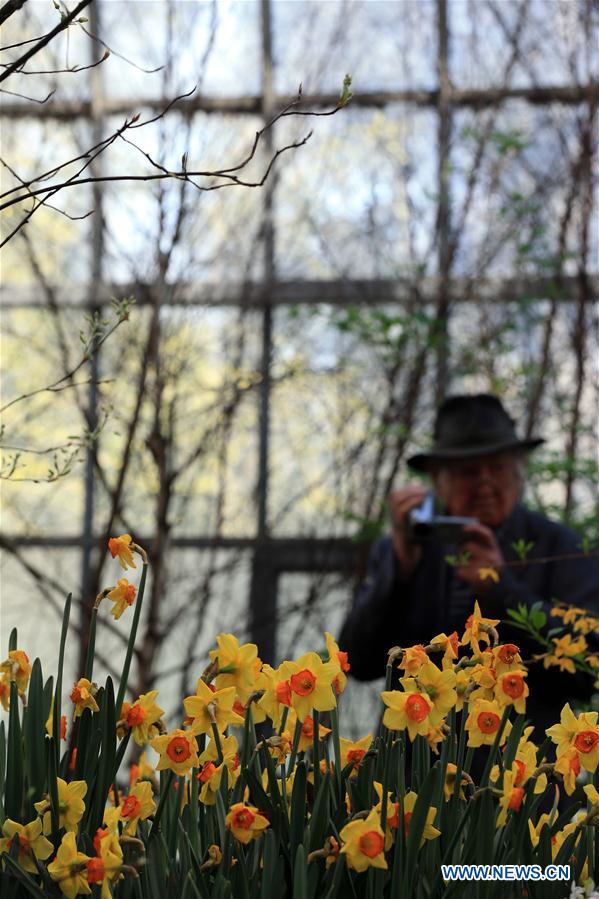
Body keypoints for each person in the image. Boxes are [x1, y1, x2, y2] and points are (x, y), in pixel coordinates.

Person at [339, 394, 599, 737]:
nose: (485, 483)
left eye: (497, 468)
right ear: (438, 480)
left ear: (518, 472)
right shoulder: (406, 548)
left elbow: (590, 670)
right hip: (414, 762)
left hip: (524, 760)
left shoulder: (561, 547)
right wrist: (400, 569)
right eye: (469, 472)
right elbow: (358, 661)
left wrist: (501, 589)